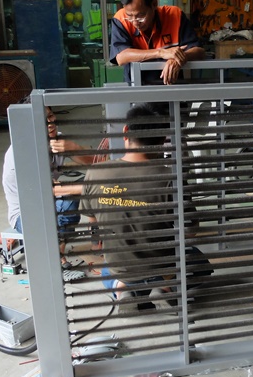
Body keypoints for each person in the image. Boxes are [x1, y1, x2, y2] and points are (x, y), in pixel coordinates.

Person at [55, 103, 210, 312]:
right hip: (162, 262)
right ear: (162, 139)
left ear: (125, 131)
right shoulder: (171, 179)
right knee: (198, 261)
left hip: (121, 265)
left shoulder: (96, 173)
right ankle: (165, 286)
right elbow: (190, 231)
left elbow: (94, 226)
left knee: (109, 268)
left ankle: (122, 289)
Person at [1, 107, 84, 267]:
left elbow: (93, 162)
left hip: (50, 203)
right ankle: (57, 260)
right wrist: (92, 187)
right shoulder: (22, 151)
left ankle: (60, 252)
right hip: (26, 215)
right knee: (69, 202)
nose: (50, 123)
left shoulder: (57, 140)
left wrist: (74, 148)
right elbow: (49, 190)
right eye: (43, 120)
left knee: (86, 186)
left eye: (51, 116)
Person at [109, 0, 205, 85]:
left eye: (141, 16)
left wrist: (179, 58)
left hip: (171, 86)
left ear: (154, 4)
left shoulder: (175, 16)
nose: (135, 22)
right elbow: (121, 57)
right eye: (129, 16)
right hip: (137, 88)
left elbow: (199, 51)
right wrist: (161, 53)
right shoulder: (121, 20)